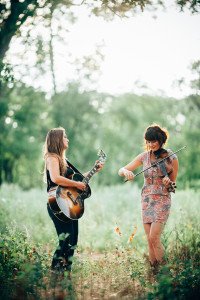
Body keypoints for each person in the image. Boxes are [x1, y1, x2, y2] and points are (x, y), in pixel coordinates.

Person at [43, 127, 104, 274]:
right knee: (64, 241)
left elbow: (78, 179)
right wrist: (77, 184)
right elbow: (56, 178)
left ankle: (65, 274)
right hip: (57, 203)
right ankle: (55, 275)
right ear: (58, 140)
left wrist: (94, 170)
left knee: (72, 241)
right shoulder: (51, 157)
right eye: (65, 137)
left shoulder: (64, 160)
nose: (67, 139)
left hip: (70, 205)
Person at [118, 124, 179, 268]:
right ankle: (154, 272)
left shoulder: (170, 157)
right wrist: (125, 172)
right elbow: (121, 169)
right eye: (148, 142)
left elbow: (173, 183)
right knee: (149, 239)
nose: (151, 145)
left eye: (153, 141)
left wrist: (167, 181)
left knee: (154, 237)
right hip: (146, 200)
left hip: (162, 199)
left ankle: (166, 274)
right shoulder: (144, 157)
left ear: (160, 140)